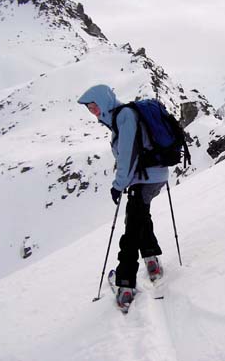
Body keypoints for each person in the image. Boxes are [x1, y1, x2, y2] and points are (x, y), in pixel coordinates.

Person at [78, 84, 167, 308]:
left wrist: (118, 185)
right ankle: (151, 259)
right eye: (90, 109)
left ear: (104, 101)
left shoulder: (125, 116)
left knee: (130, 232)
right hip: (153, 176)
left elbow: (127, 155)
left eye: (95, 106)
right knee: (140, 218)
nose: (94, 112)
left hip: (144, 178)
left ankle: (125, 284)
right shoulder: (122, 117)